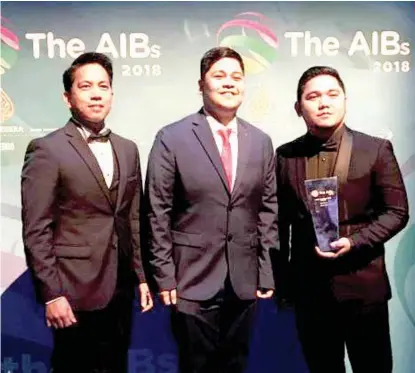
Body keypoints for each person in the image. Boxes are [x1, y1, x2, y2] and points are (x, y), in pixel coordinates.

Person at [144, 46, 278, 373]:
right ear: (201, 84)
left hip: (243, 281)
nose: (229, 83)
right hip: (191, 279)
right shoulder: (172, 138)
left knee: (236, 366)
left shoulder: (260, 141)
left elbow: (267, 209)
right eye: (219, 76)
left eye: (236, 77)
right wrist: (164, 276)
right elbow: (156, 212)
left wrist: (266, 269)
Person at [21, 52, 153, 373]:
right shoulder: (47, 149)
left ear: (111, 94)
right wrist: (52, 295)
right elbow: (36, 229)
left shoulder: (128, 148)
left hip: (120, 289)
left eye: (104, 86)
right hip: (72, 288)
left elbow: (134, 218)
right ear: (68, 97)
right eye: (86, 86)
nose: (96, 93)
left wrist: (141, 277)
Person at [275, 65, 409, 373]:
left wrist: (355, 241)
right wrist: (283, 282)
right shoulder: (285, 156)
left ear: (345, 100)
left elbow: (397, 212)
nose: (324, 102)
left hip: (364, 289)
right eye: (313, 96)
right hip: (310, 292)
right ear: (299, 107)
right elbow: (279, 224)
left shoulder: (375, 149)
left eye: (332, 94)